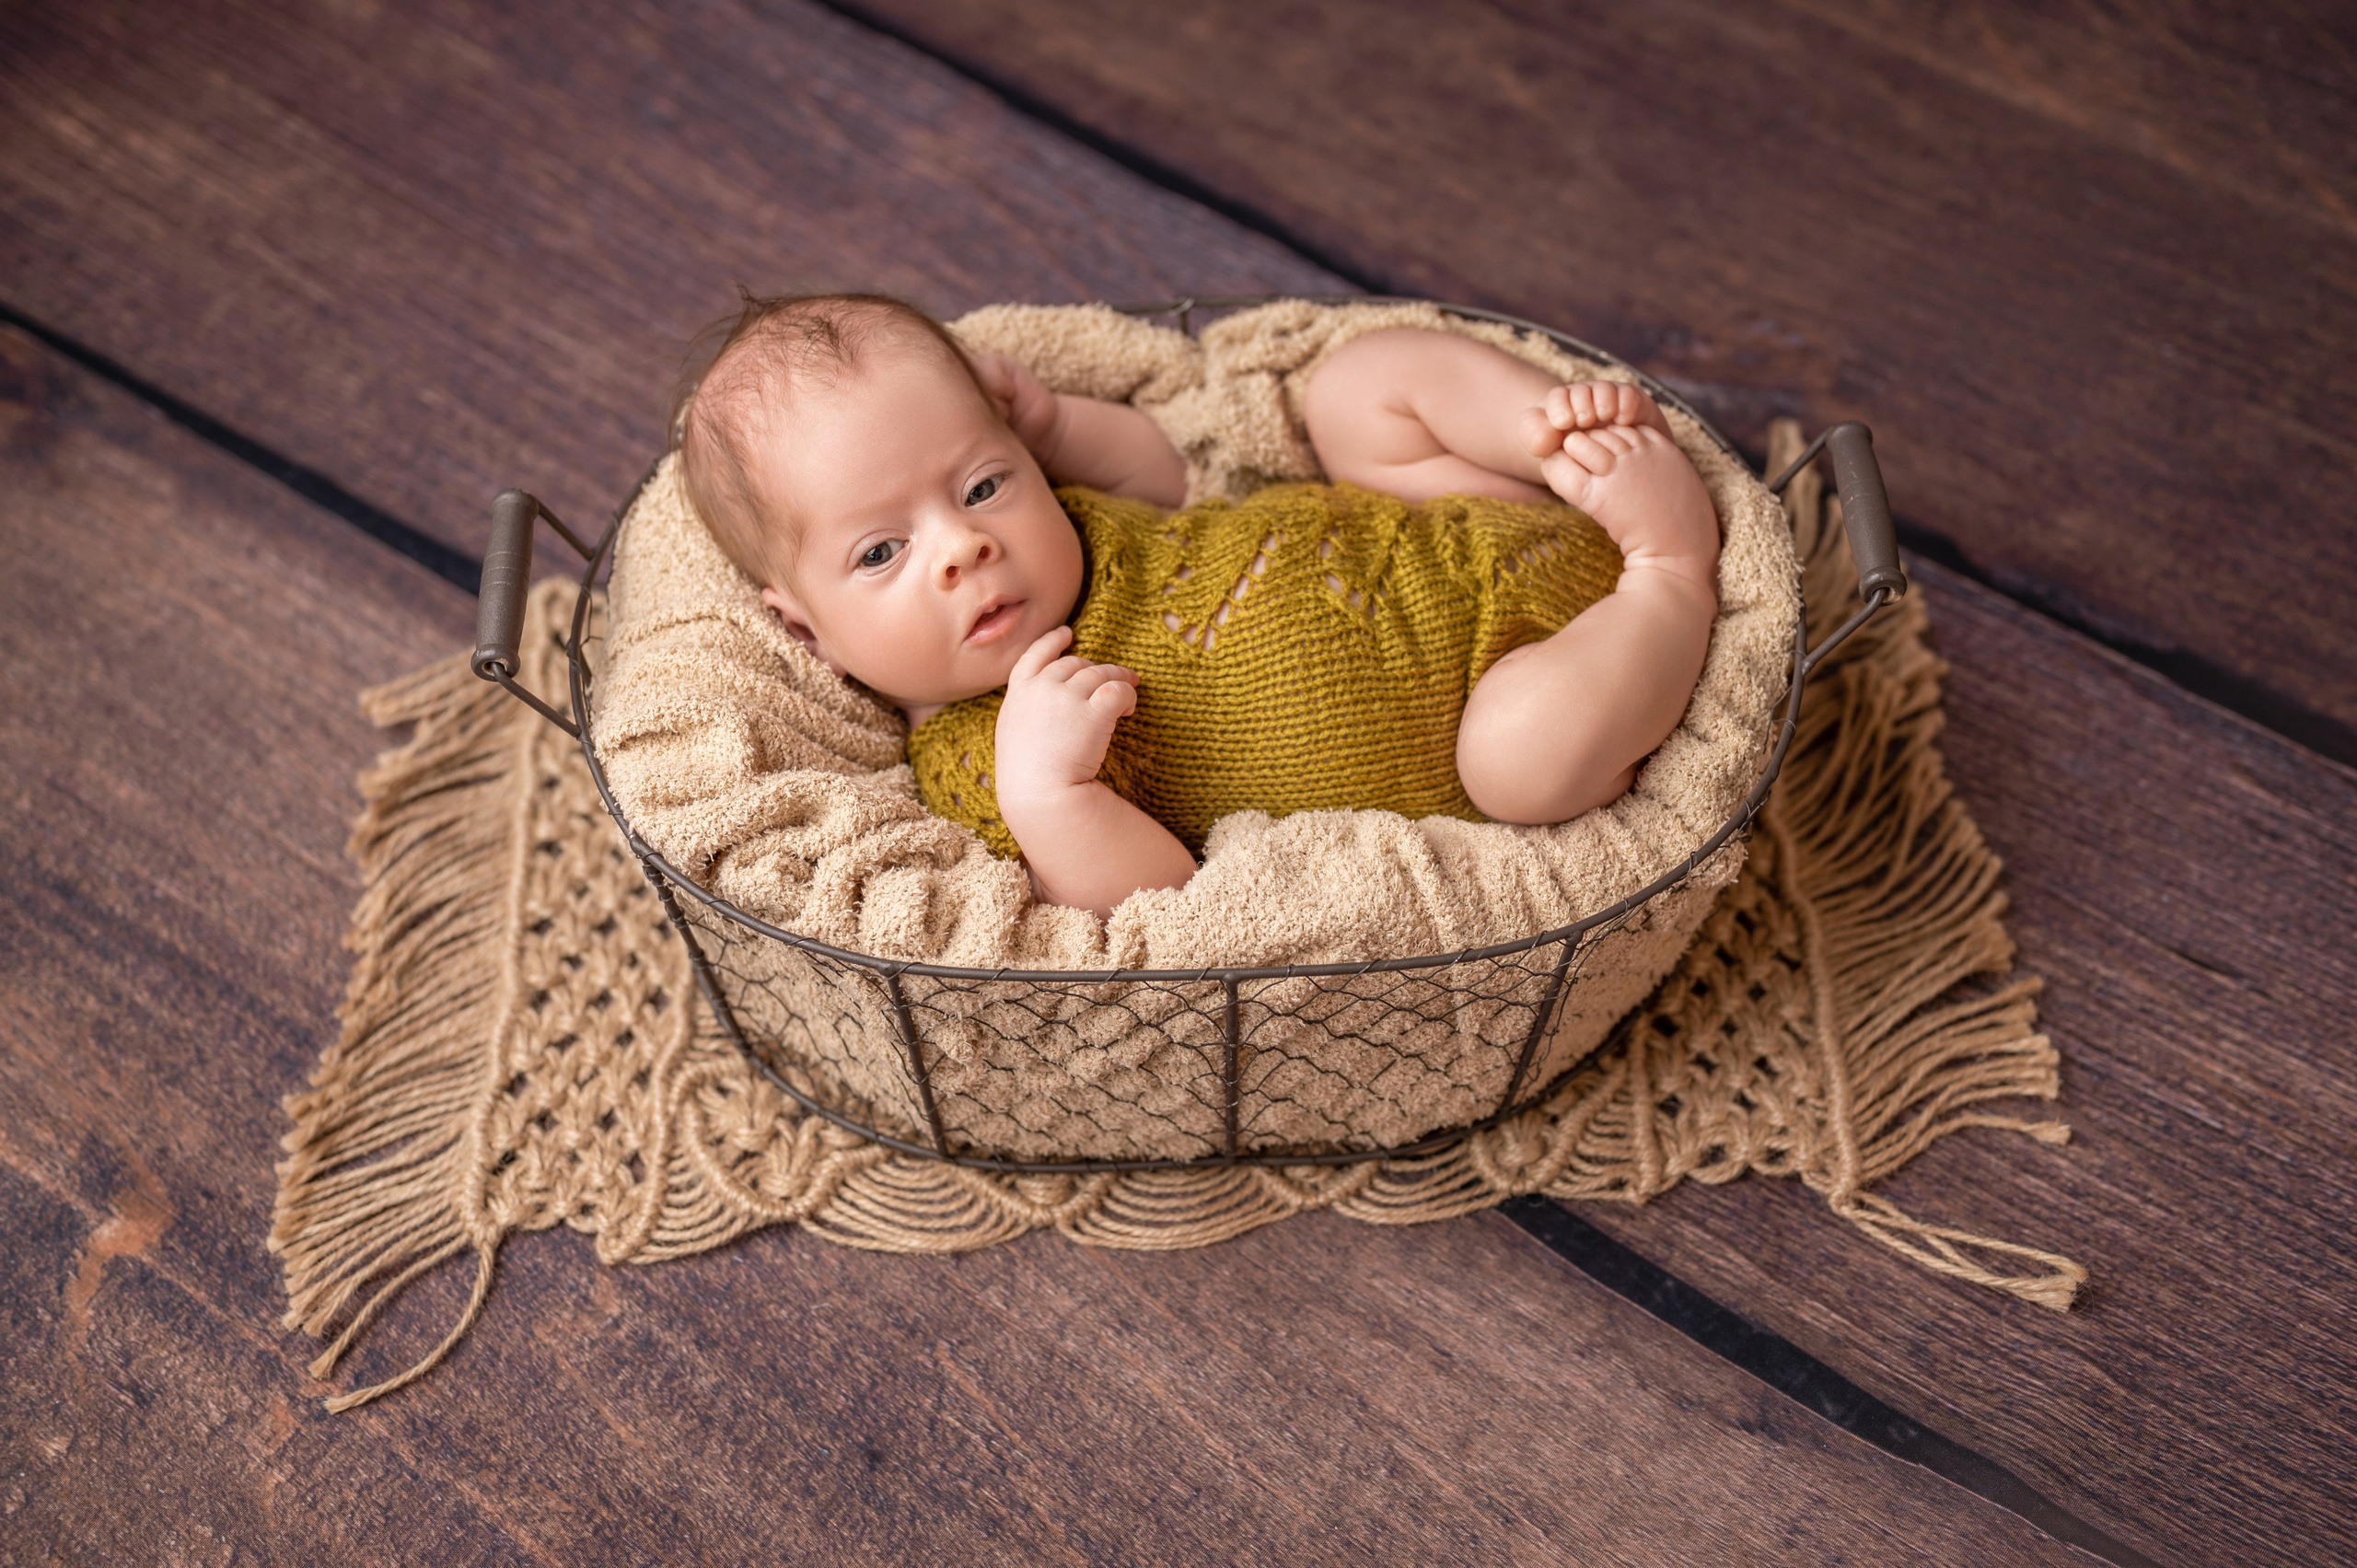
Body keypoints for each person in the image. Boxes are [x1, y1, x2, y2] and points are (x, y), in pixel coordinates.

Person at [675, 295, 1720, 918]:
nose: (962, 545)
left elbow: (1176, 471)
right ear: (804, 629)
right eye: (881, 551)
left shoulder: (1072, 523)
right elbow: (1160, 900)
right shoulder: (978, 762)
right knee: (1521, 762)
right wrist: (1053, 795)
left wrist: (1058, 426)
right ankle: (1669, 563)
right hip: (1518, 684)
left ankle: (1551, 432)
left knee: (1352, 388)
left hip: (1441, 515)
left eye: (983, 483)